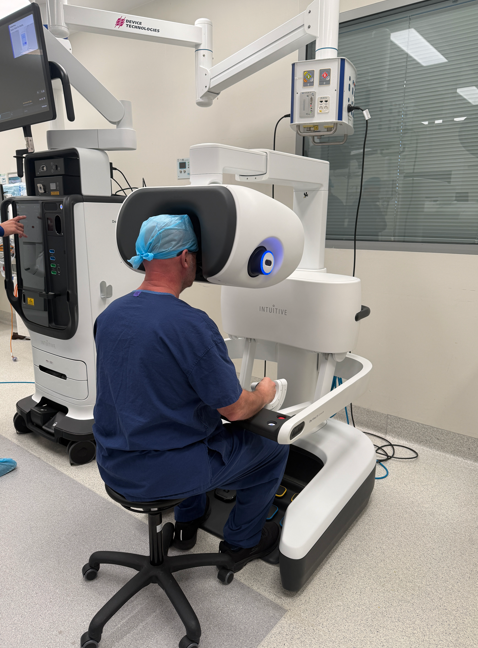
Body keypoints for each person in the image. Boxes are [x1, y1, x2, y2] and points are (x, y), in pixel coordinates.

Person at [93, 214, 289, 571]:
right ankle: (243, 541)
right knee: (273, 447)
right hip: (165, 473)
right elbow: (235, 409)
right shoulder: (190, 324)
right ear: (186, 258)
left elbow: (146, 386)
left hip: (112, 463)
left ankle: (188, 521)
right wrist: (263, 393)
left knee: (187, 426)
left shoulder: (110, 315)